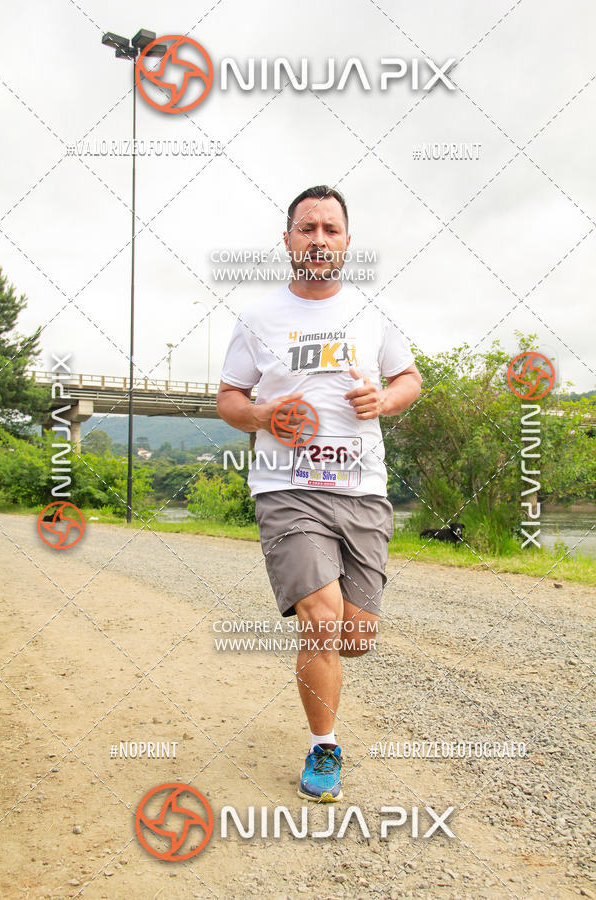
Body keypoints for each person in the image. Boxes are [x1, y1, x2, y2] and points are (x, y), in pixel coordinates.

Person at [217, 185, 422, 802]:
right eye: (307, 229)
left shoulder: (373, 313)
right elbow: (229, 398)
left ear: (346, 242)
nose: (318, 240)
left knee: (354, 635)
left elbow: (409, 378)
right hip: (288, 489)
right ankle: (324, 746)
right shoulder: (257, 320)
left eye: (330, 230)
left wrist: (384, 399)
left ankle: (329, 692)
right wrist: (262, 416)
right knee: (322, 619)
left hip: (363, 491)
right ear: (287, 240)